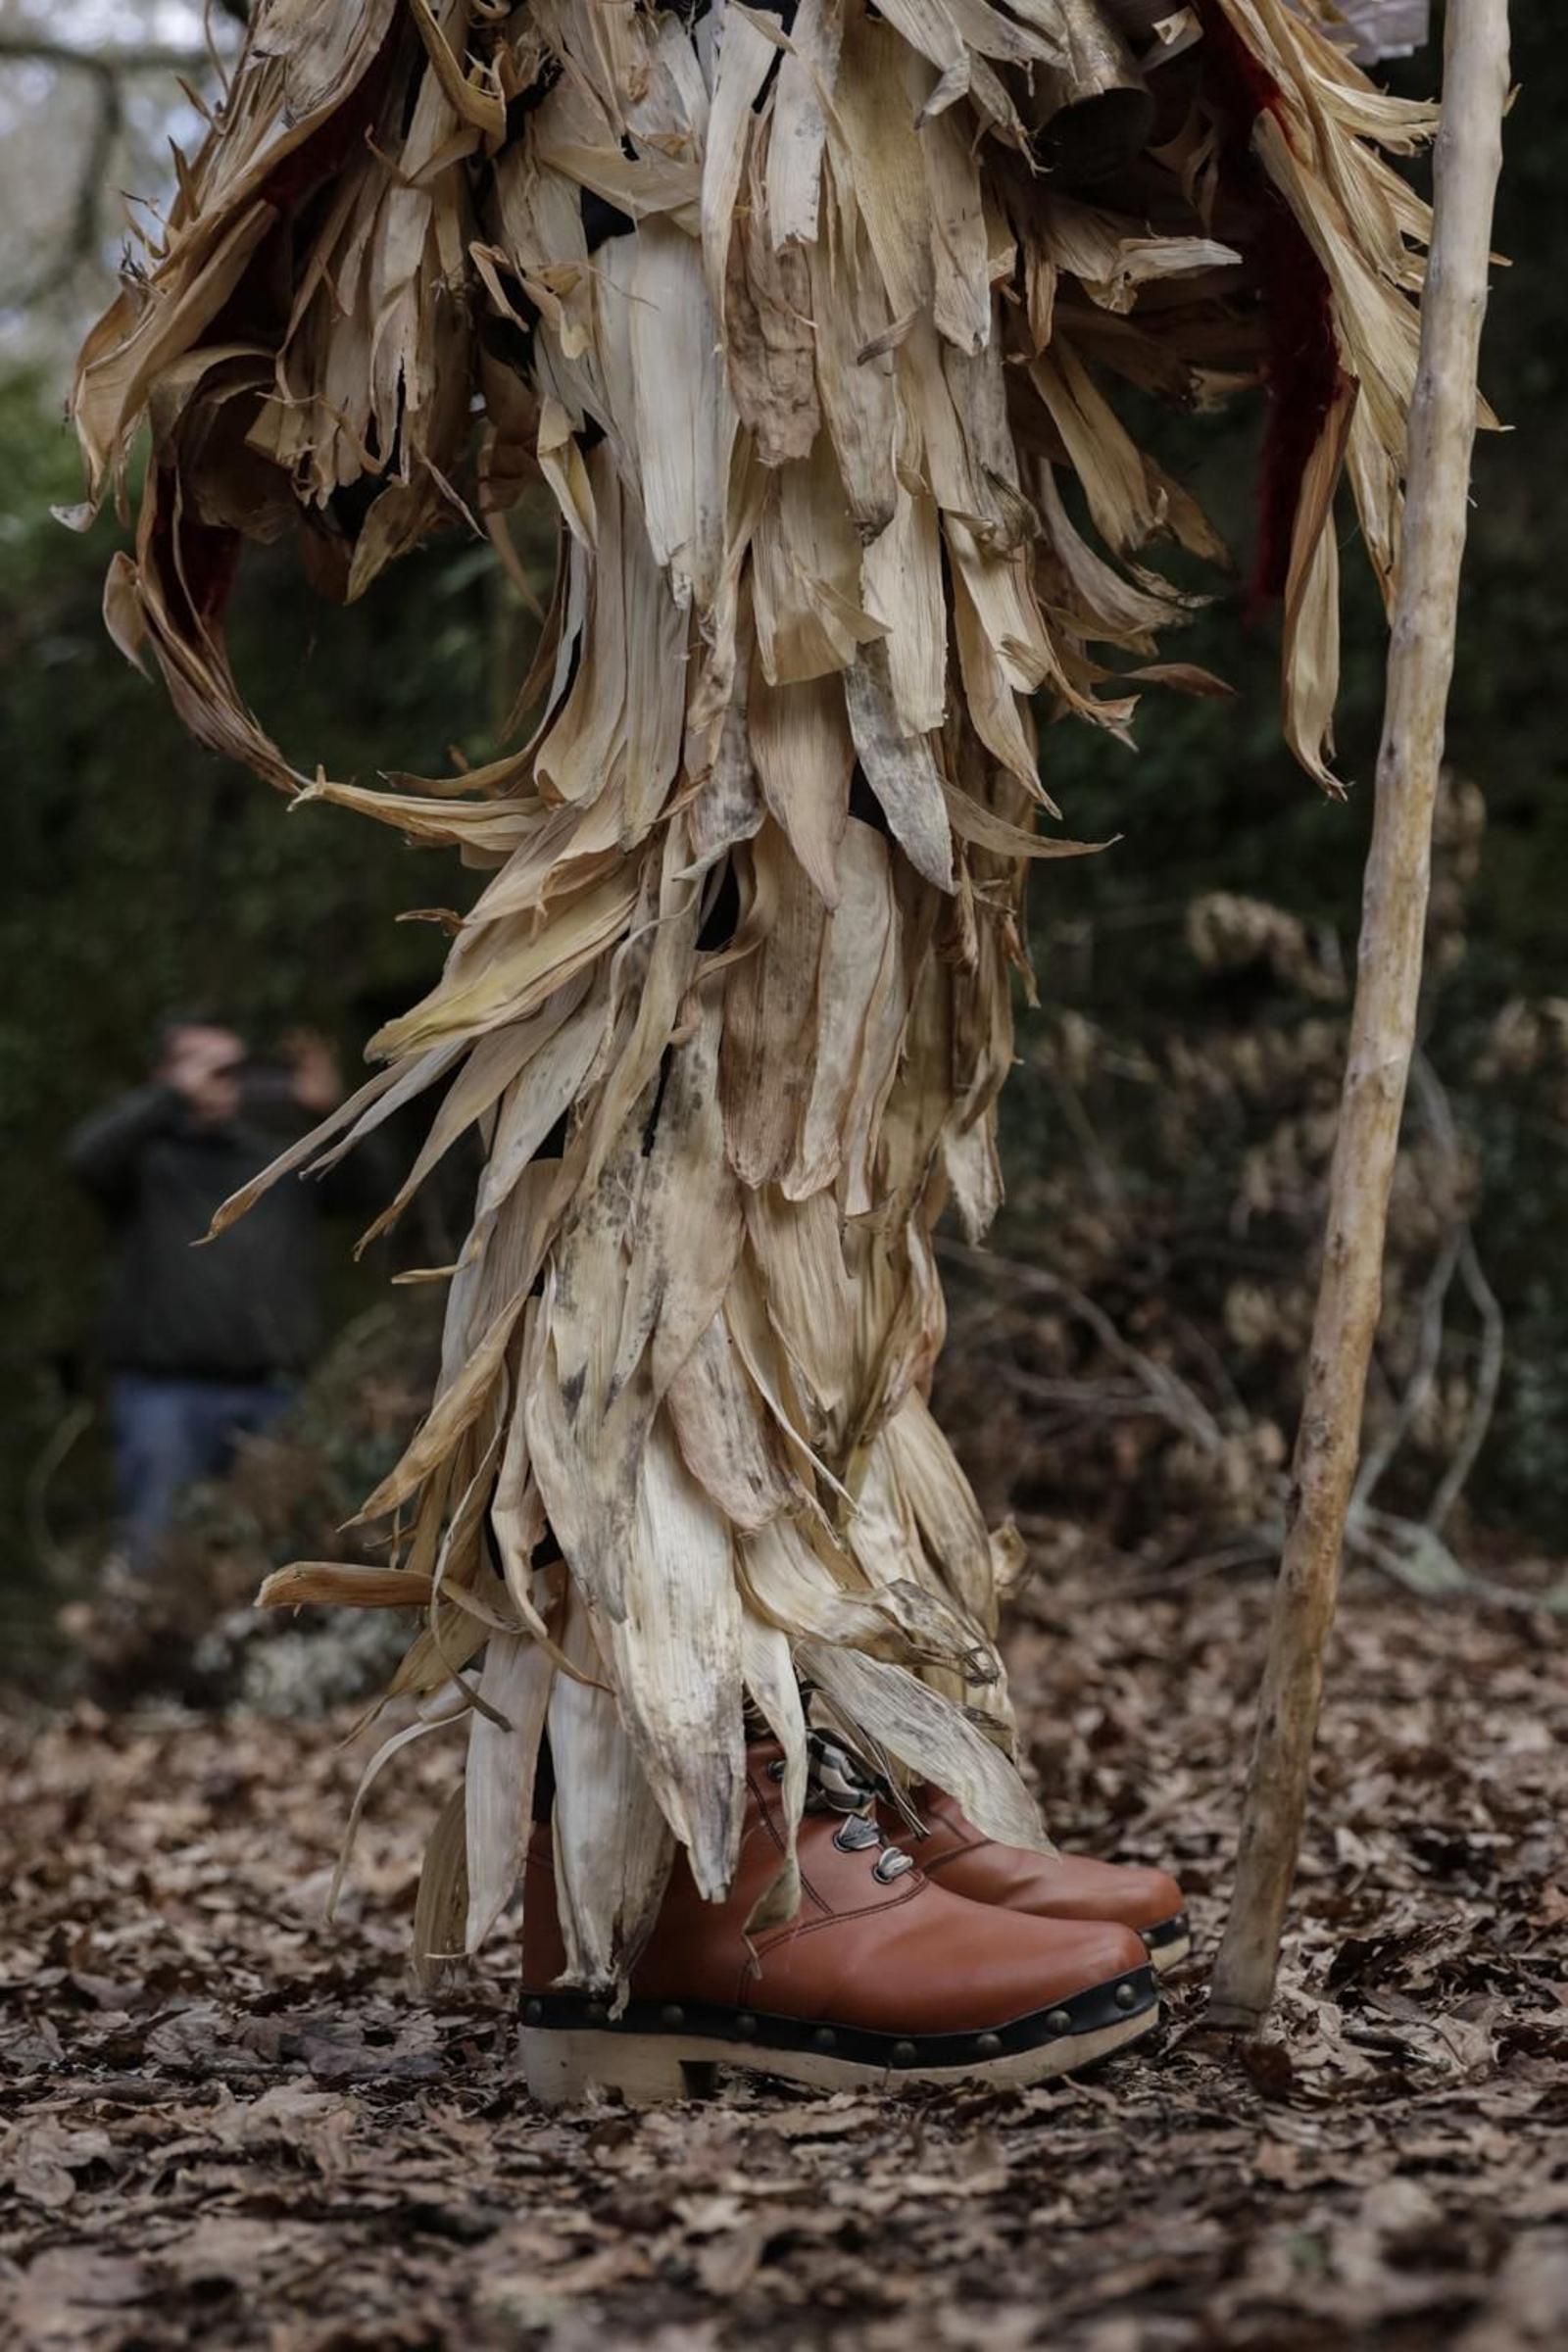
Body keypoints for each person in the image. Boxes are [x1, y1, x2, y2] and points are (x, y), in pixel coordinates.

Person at [69, 1, 1433, 2098]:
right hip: (695, 117)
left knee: (854, 1024)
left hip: (893, 132)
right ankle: (679, 1843)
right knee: (711, 915)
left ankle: (816, 1744)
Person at [67, 1018, 359, 1572]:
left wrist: (332, 1114)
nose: (222, 1080)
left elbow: (376, 1190)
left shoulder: (276, 1161)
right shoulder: (143, 1161)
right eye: (205, 1065)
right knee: (156, 1557)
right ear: (165, 1073)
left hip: (277, 1396)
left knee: (280, 1558)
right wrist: (170, 1097)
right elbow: (84, 1157)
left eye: (233, 1067)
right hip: (166, 1398)